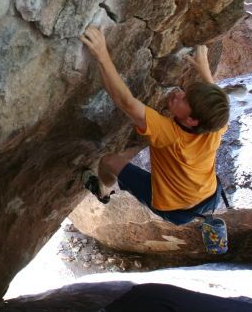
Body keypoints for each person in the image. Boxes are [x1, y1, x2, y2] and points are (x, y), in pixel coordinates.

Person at [78, 25, 230, 225]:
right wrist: (204, 69)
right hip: (209, 195)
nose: (178, 93)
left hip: (175, 208)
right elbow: (218, 106)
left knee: (108, 162)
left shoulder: (169, 134)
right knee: (131, 152)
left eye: (184, 100)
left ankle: (103, 191)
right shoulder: (214, 125)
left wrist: (101, 54)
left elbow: (126, 102)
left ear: (192, 120)